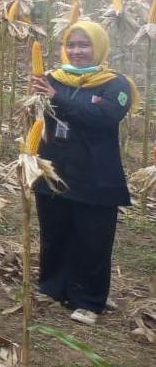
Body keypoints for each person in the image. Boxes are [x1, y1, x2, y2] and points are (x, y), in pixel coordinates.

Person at [28, 20, 134, 326]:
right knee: (55, 231)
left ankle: (89, 299)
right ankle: (53, 286)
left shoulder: (116, 84)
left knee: (93, 238)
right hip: (54, 168)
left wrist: (55, 97)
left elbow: (105, 116)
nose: (77, 52)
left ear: (98, 47)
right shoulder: (52, 78)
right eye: (71, 45)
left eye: (84, 45)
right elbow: (36, 117)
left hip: (95, 173)